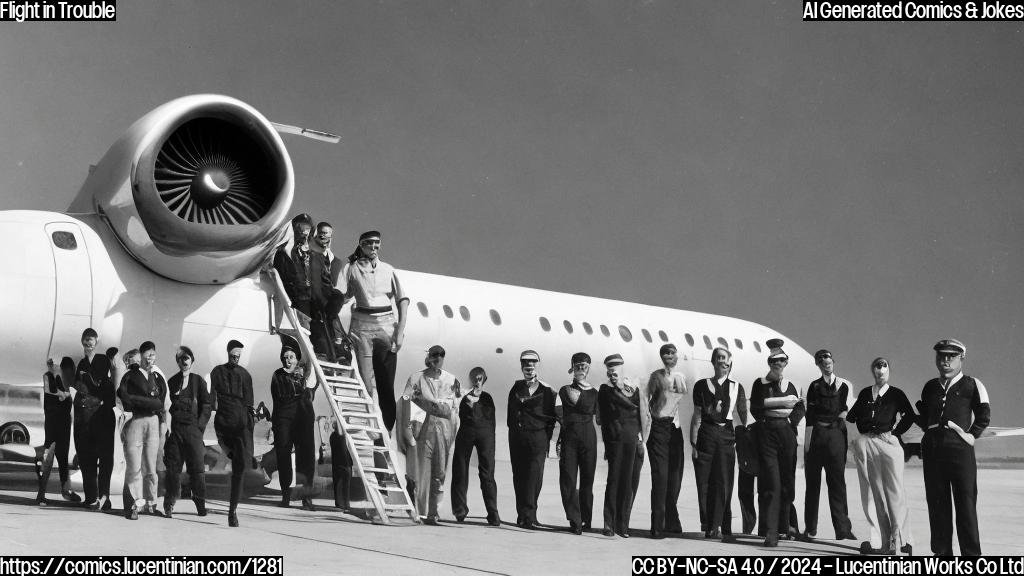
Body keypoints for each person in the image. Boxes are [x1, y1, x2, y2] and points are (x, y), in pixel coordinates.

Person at [918, 339, 990, 556]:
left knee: (966, 506)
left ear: (962, 359)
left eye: (951, 356)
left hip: (960, 452)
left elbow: (984, 414)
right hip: (933, 452)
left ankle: (971, 558)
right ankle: (941, 556)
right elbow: (925, 416)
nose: (945, 361)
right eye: (941, 356)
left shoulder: (972, 384)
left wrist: (971, 435)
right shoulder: (930, 386)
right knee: (937, 506)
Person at [340, 230, 409, 432]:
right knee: (366, 379)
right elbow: (342, 295)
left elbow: (402, 300)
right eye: (369, 243)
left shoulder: (389, 270)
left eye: (377, 243)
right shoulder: (351, 269)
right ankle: (370, 425)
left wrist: (400, 331)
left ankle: (386, 426)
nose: (374, 247)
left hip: (386, 325)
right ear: (361, 245)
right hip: (362, 325)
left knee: (386, 380)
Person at [847, 357, 916, 556]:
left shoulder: (896, 394)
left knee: (896, 493)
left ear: (889, 371)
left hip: (889, 443)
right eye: (877, 367)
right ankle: (881, 543)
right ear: (873, 371)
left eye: (884, 366)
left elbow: (909, 415)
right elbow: (852, 417)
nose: (880, 370)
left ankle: (902, 542)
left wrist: (895, 432)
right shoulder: (865, 394)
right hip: (867, 443)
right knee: (872, 492)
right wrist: (862, 431)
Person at [749, 338, 805, 547]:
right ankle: (771, 532)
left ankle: (785, 527)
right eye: (774, 361)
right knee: (772, 483)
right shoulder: (760, 384)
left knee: (787, 483)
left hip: (787, 433)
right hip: (768, 434)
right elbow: (755, 407)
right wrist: (767, 417)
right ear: (769, 363)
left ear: (786, 362)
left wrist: (791, 420)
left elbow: (800, 407)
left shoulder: (793, 384)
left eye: (781, 360)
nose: (778, 364)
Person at [690, 347, 748, 543]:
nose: (722, 362)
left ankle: (722, 525)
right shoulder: (701, 385)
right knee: (704, 481)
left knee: (724, 481)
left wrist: (742, 444)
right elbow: (697, 415)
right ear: (713, 362)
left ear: (730, 363)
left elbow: (742, 416)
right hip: (706, 433)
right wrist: (693, 443)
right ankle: (708, 525)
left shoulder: (737, 387)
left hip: (726, 435)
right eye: (719, 358)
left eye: (725, 359)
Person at [401, 345, 461, 524]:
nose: (437, 359)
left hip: (444, 431)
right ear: (428, 358)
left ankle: (434, 513)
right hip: (423, 430)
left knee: (439, 473)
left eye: (440, 356)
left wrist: (452, 432)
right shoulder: (417, 377)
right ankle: (420, 512)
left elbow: (453, 408)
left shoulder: (451, 379)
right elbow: (406, 401)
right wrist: (406, 428)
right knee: (421, 472)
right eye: (433, 356)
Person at [802, 349, 856, 541]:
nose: (826, 361)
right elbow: (810, 417)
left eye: (828, 358)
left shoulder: (843, 386)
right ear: (818, 364)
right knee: (813, 485)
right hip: (817, 436)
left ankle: (843, 529)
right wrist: (807, 446)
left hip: (835, 437)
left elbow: (843, 411)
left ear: (833, 361)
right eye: (821, 360)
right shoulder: (814, 386)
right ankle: (810, 529)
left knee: (837, 483)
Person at [598, 354, 650, 538]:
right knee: (613, 481)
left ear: (622, 367)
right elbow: (601, 419)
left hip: (631, 440)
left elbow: (643, 414)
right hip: (614, 440)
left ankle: (623, 525)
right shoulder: (605, 390)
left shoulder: (633, 388)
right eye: (610, 368)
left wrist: (642, 440)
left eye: (616, 367)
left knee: (628, 483)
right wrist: (605, 443)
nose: (613, 370)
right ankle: (608, 523)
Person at [507, 350, 556, 529]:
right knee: (518, 476)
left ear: (538, 365)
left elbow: (551, 417)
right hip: (518, 437)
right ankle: (522, 515)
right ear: (521, 366)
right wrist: (514, 433)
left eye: (533, 362)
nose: (529, 365)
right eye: (525, 363)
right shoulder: (516, 387)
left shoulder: (547, 390)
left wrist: (545, 438)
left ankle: (530, 515)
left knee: (534, 477)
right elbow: (510, 414)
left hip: (538, 437)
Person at [119, 341, 168, 519]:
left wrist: (162, 419)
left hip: (153, 424)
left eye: (152, 355)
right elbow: (124, 398)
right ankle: (133, 504)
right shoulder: (130, 376)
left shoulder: (158, 377)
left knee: (150, 467)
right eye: (147, 355)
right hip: (136, 421)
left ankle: (151, 504)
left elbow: (162, 403)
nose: (150, 358)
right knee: (134, 467)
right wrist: (149, 402)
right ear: (140, 357)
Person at [210, 340, 255, 527]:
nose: (236, 358)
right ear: (228, 352)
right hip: (223, 424)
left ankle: (232, 511)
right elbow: (212, 400)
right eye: (233, 354)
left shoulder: (245, 375)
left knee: (239, 469)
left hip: (240, 426)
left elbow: (249, 405)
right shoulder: (217, 372)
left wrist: (248, 436)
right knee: (233, 457)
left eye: (239, 355)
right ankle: (242, 455)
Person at [163, 346, 212, 518]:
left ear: (192, 360)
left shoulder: (198, 381)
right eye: (181, 359)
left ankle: (200, 503)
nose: (184, 362)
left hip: (193, 431)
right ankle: (169, 504)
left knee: (197, 469)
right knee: (172, 469)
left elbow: (207, 406)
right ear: (177, 362)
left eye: (187, 358)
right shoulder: (171, 382)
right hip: (175, 432)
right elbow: (166, 408)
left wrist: (199, 427)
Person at [71, 328, 117, 510]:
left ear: (96, 341)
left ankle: (104, 497)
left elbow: (100, 384)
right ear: (82, 342)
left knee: (105, 458)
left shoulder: (102, 360)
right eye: (85, 340)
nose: (88, 343)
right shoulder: (81, 363)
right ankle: (91, 497)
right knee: (86, 458)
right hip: (84, 418)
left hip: (102, 417)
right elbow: (78, 387)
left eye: (91, 340)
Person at [646, 343, 688, 538]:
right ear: (662, 357)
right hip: (659, 428)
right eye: (665, 353)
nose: (669, 356)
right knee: (660, 477)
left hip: (675, 430)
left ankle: (672, 520)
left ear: (677, 356)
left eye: (672, 353)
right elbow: (648, 401)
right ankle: (657, 525)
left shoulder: (681, 377)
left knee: (675, 478)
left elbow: (682, 402)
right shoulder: (656, 376)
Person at [451, 366, 500, 526]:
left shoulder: (487, 398)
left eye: (480, 378)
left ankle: (493, 513)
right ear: (471, 380)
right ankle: (460, 510)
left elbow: (491, 420)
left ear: (484, 379)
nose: (477, 381)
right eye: (475, 378)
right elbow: (457, 411)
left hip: (486, 434)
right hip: (466, 432)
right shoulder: (464, 397)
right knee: (460, 469)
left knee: (487, 474)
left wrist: (491, 443)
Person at [270, 343, 317, 511]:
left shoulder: (306, 375)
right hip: (284, 419)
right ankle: (285, 495)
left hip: (303, 418)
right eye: (285, 357)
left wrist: (304, 375)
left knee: (306, 458)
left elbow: (313, 386)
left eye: (291, 357)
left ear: (297, 359)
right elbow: (276, 399)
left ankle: (306, 498)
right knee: (283, 457)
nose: (287, 360)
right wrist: (274, 425)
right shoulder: (277, 375)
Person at [557, 352, 599, 535]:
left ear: (588, 369)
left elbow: (598, 415)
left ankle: (586, 518)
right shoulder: (564, 389)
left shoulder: (596, 392)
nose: (580, 369)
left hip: (589, 437)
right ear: (572, 368)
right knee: (568, 479)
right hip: (569, 438)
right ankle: (575, 519)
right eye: (577, 366)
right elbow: (579, 404)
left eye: (584, 366)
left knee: (587, 480)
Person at [36, 357, 80, 506]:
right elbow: (53, 391)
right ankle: (41, 494)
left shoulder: (69, 381)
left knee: (63, 458)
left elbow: (68, 395)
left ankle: (65, 490)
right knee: (48, 457)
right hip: (53, 423)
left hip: (64, 423)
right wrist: (53, 373)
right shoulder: (48, 376)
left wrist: (66, 394)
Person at [309, 221, 347, 358]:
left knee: (337, 298)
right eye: (322, 232)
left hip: (326, 295)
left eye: (327, 234)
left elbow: (333, 281)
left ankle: (337, 345)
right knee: (321, 320)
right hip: (313, 293)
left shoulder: (332, 258)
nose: (324, 236)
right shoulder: (310, 250)